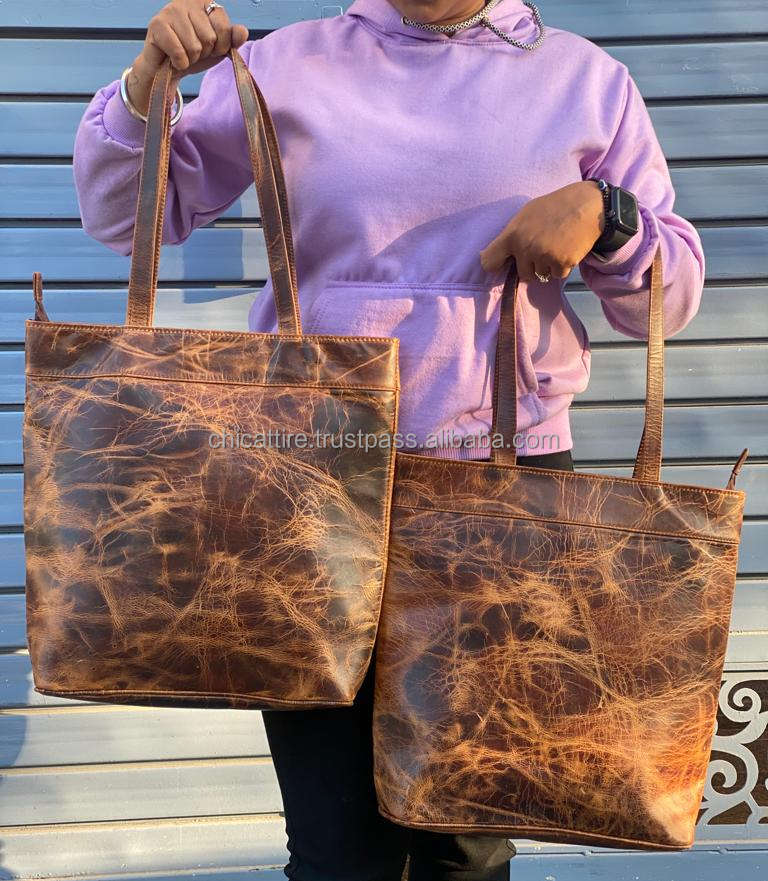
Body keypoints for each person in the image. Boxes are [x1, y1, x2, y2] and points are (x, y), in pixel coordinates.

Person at [71, 1, 705, 878]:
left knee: (467, 835)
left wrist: (608, 212)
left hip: (500, 487)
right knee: (334, 842)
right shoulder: (290, 64)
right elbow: (126, 216)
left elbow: (669, 300)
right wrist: (149, 86)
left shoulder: (584, 82)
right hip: (310, 488)